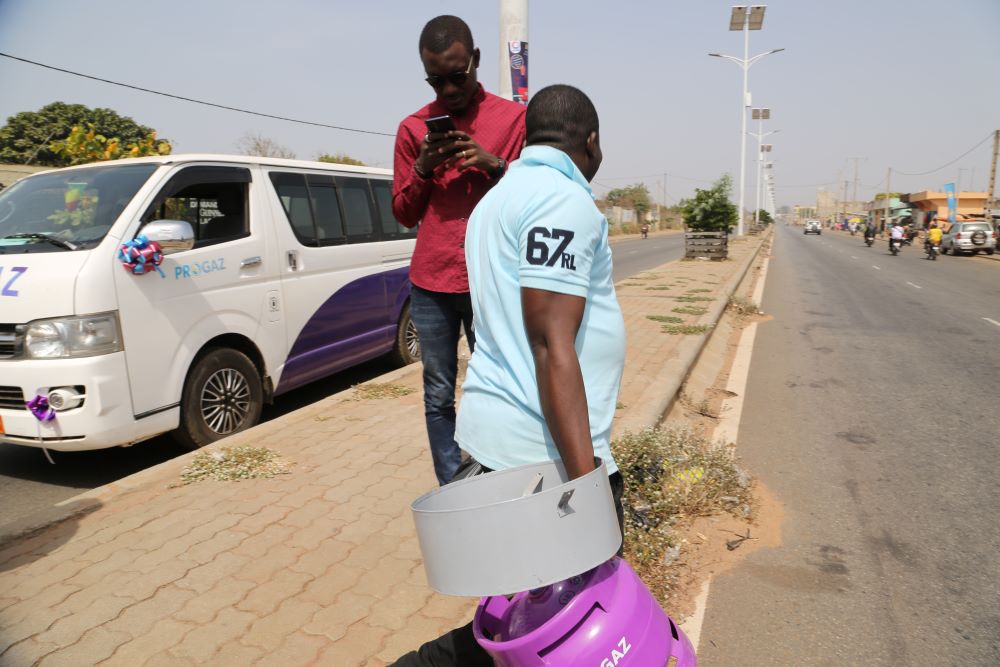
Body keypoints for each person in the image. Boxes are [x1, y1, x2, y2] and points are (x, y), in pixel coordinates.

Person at [393, 83, 625, 667]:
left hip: (498, 448)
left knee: (523, 627)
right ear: (590, 143)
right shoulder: (561, 202)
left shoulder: (495, 201)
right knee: (569, 630)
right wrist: (587, 489)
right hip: (543, 464)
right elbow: (551, 343)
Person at [392, 15, 527, 486]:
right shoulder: (413, 130)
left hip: (490, 277)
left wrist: (496, 165)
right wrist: (424, 169)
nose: (448, 90)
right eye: (436, 80)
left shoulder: (513, 120)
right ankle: (454, 489)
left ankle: (500, 477)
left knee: (499, 387)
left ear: (476, 60)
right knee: (437, 393)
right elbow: (404, 214)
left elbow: (533, 194)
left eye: (457, 76)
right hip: (431, 282)